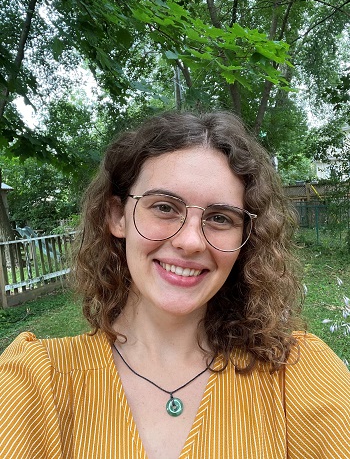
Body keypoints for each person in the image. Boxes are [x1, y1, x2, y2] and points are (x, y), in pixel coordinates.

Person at [0, 111, 349, 459]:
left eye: (219, 218)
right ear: (118, 216)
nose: (191, 241)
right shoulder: (36, 381)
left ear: (246, 236)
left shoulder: (296, 373)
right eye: (165, 207)